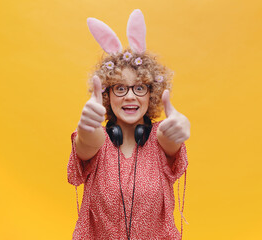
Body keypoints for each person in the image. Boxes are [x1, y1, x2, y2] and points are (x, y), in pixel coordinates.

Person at [67, 9, 190, 239]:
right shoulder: (98, 139)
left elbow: (169, 136)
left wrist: (179, 127)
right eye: (120, 88)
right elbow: (87, 143)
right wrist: (86, 127)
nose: (130, 96)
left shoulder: (160, 139)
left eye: (139, 87)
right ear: (107, 94)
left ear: (151, 94)